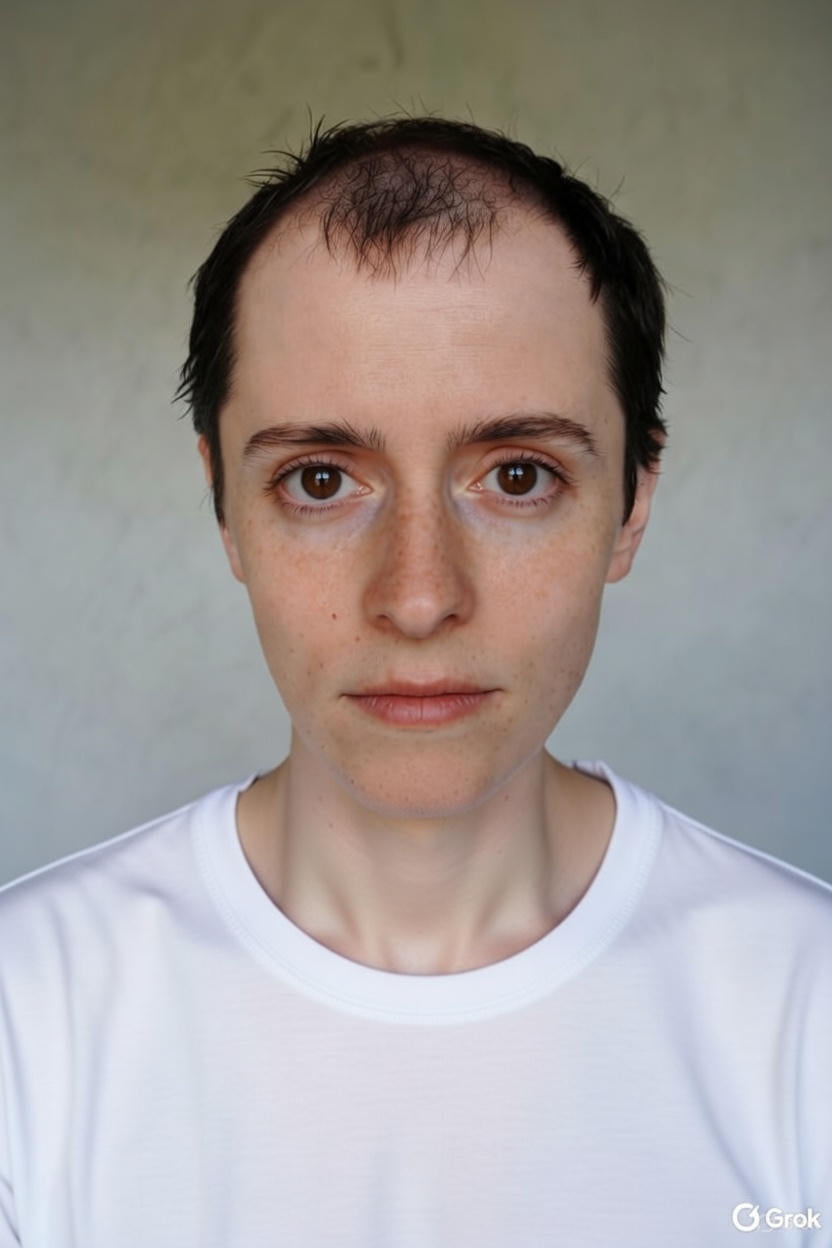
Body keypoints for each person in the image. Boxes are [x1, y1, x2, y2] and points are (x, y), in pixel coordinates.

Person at [1, 115, 830, 1247]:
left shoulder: (806, 1017)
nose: (421, 596)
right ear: (224, 505)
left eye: (519, 476)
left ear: (634, 501)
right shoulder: (26, 1022)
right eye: (321, 479)